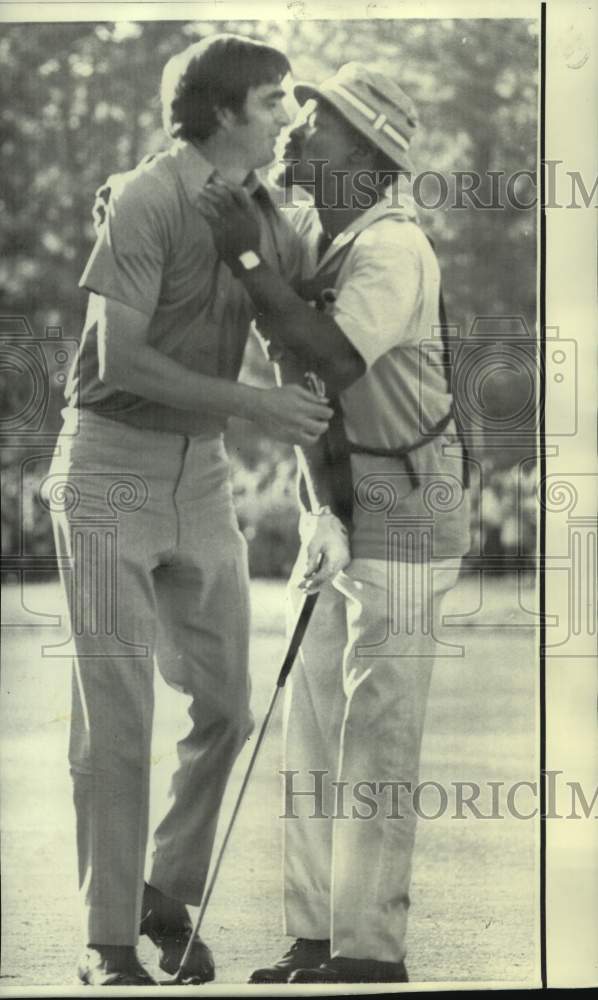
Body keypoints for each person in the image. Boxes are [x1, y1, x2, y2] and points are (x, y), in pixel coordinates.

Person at [46, 34, 334, 987]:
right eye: (274, 100)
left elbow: (300, 306)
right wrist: (258, 404)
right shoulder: (143, 197)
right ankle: (106, 942)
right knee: (118, 718)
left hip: (198, 473)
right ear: (220, 112)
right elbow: (120, 360)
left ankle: (162, 895)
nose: (291, 114)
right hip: (108, 469)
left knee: (226, 708)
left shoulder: (266, 207)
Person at [199, 62, 472, 984]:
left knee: (377, 743)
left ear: (364, 154)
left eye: (316, 120)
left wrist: (243, 258)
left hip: (408, 518)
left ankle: (369, 952)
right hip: (339, 512)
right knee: (311, 735)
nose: (296, 127)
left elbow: (332, 358)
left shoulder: (394, 248)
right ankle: (314, 937)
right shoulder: (321, 229)